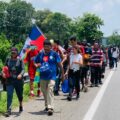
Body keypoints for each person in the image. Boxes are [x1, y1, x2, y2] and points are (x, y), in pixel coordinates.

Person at [34, 40, 64, 116]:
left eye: (48, 47)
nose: (46, 48)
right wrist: (37, 65)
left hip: (52, 76)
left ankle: (50, 107)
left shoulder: (54, 54)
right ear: (43, 47)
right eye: (45, 47)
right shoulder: (40, 54)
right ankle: (47, 105)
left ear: (51, 47)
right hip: (42, 76)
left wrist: (63, 75)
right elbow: (35, 62)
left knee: (50, 89)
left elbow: (60, 64)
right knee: (44, 91)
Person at [2, 47, 24, 117]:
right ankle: (9, 110)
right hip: (9, 80)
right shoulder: (8, 59)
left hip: (18, 80)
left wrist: (21, 74)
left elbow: (23, 69)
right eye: (12, 52)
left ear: (17, 53)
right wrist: (3, 73)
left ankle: (20, 104)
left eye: (14, 52)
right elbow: (4, 68)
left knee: (19, 94)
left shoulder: (20, 60)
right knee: (9, 94)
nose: (13, 54)